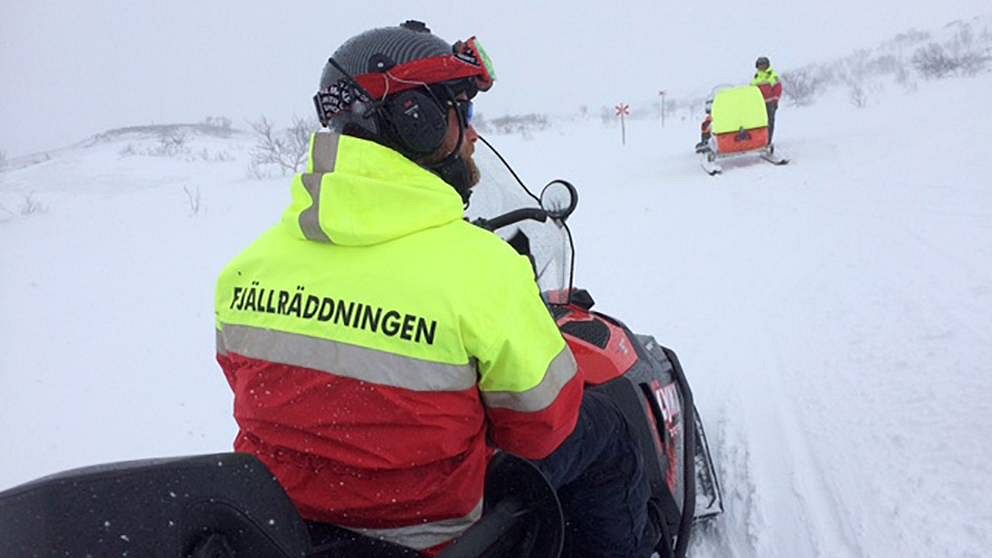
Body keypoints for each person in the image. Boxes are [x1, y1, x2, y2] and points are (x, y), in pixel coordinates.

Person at [214, 20, 655, 557]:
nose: (472, 134)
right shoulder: (483, 270)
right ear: (416, 121)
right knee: (605, 433)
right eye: (462, 113)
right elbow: (542, 429)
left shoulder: (244, 271)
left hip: (285, 530)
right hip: (430, 538)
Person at [752, 56, 783, 143]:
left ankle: (768, 140)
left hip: (770, 103)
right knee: (759, 123)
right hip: (759, 104)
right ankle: (759, 140)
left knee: (769, 122)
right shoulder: (756, 77)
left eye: (763, 64)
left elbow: (778, 89)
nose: (761, 66)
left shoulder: (772, 75)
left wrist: (775, 101)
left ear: (767, 65)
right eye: (759, 65)